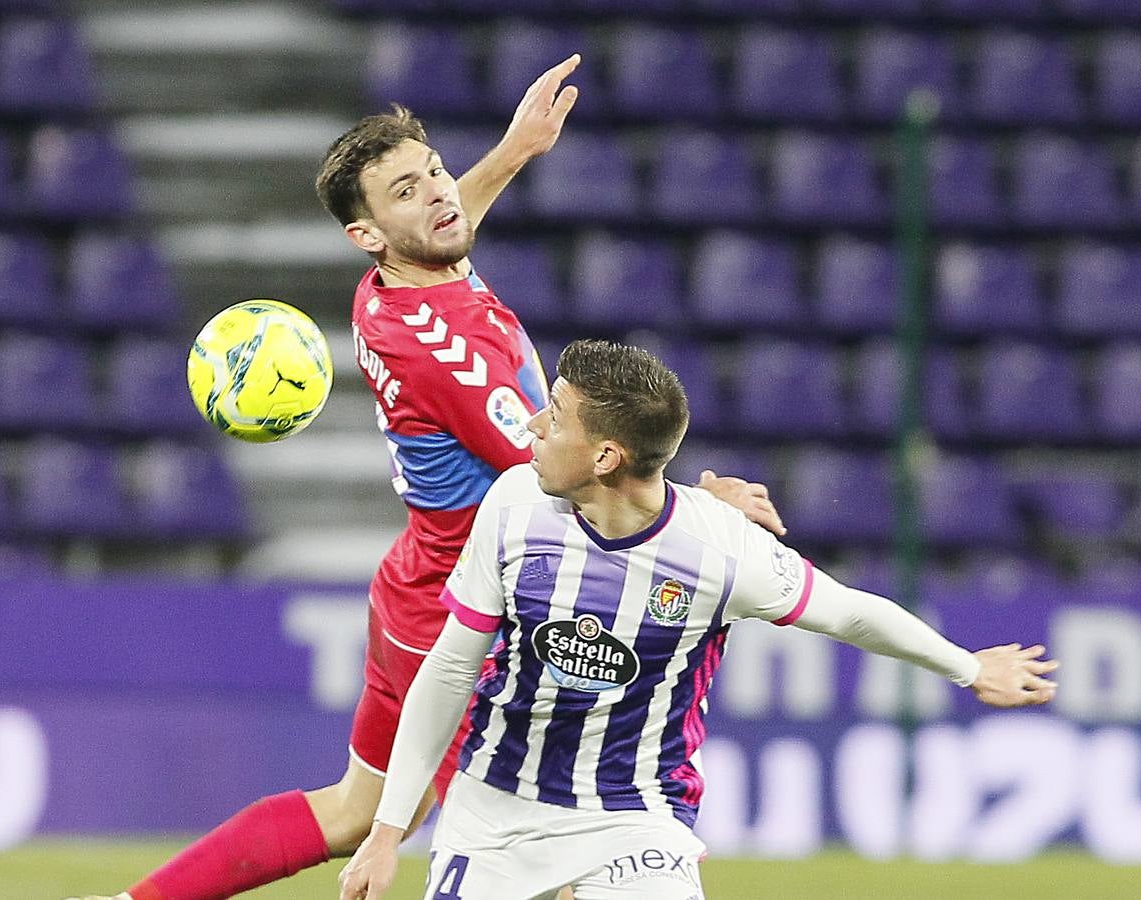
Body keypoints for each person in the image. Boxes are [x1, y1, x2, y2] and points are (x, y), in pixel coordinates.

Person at [72, 57, 782, 900]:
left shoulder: (394, 284)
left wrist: (514, 150)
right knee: (537, 848)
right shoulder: (450, 354)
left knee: (354, 813)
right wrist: (704, 508)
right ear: (365, 234)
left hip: (415, 588)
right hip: (468, 619)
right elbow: (558, 477)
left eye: (434, 171)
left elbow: (448, 225)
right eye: (406, 192)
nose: (441, 194)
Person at [337, 339, 1060, 900]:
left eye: (553, 417)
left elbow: (851, 614)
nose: (530, 426)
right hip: (492, 806)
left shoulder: (719, 548)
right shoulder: (513, 503)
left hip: (633, 815)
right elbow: (453, 666)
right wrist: (387, 832)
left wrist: (969, 668)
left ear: (606, 455)